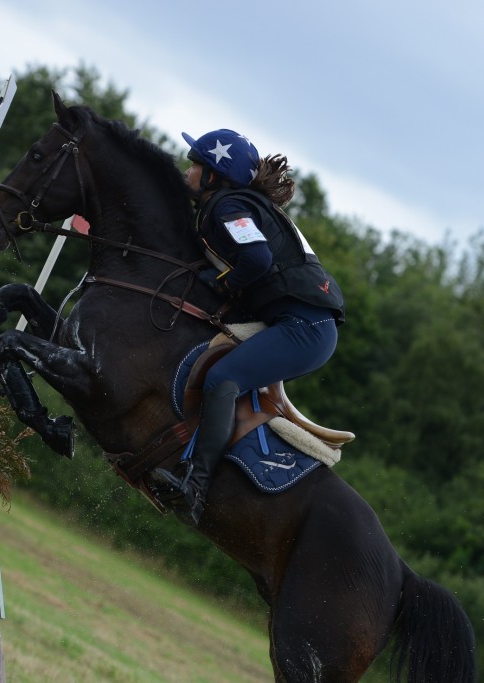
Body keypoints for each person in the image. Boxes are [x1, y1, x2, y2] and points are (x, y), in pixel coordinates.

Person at [154, 129, 346, 525]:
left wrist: (220, 283)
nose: (188, 172)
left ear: (213, 176)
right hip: (301, 321)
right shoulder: (238, 205)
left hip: (305, 328)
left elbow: (256, 260)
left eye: (195, 166)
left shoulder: (227, 208)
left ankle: (196, 486)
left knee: (223, 377)